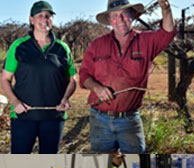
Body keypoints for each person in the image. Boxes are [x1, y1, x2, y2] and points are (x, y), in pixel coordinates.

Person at [79, 0, 177, 153]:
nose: (121, 20)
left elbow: (168, 32)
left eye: (125, 14)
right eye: (115, 16)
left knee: (135, 161)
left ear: (132, 16)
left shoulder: (146, 42)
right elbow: (84, 75)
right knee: (103, 163)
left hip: (130, 119)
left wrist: (166, 8)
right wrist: (96, 88)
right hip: (99, 119)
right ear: (110, 21)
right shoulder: (96, 45)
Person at [0, 1, 76, 154]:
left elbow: (73, 80)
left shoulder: (62, 48)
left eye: (48, 16)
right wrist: (15, 102)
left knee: (49, 162)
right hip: (23, 117)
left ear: (52, 20)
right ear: (31, 19)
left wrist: (66, 98)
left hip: (54, 117)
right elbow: (4, 79)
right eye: (39, 15)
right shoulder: (19, 46)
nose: (44, 19)